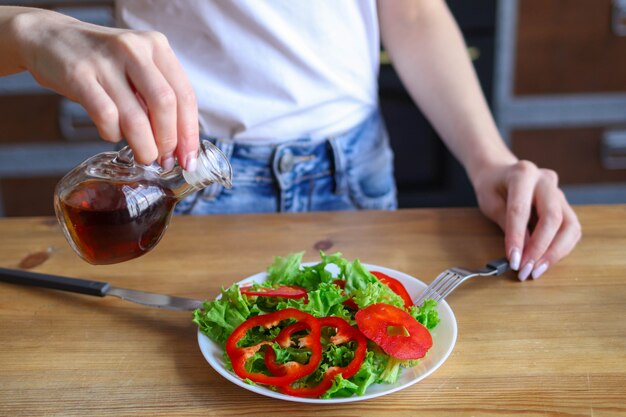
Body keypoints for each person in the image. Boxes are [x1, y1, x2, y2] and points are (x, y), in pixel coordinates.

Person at [0, 1, 580, 281]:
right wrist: (25, 30)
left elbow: (414, 12)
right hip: (186, 181)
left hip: (352, 173)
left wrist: (489, 161)